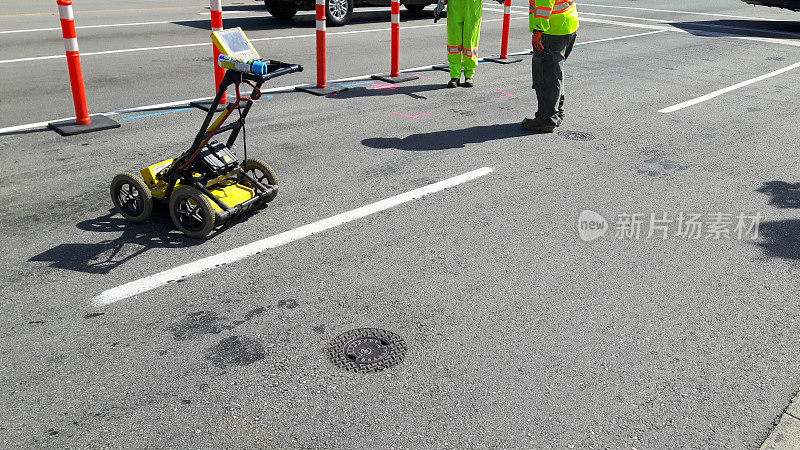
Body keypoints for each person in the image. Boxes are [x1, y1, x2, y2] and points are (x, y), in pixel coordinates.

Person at [522, 0, 579, 132]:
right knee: (555, 74)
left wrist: (538, 31)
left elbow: (544, 4)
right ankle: (556, 113)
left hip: (552, 30)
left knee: (546, 76)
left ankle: (546, 120)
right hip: (567, 24)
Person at [435, 0, 484, 88]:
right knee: (454, 43)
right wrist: (441, 2)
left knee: (470, 43)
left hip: (472, 7)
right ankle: (455, 76)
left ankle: (469, 75)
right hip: (455, 6)